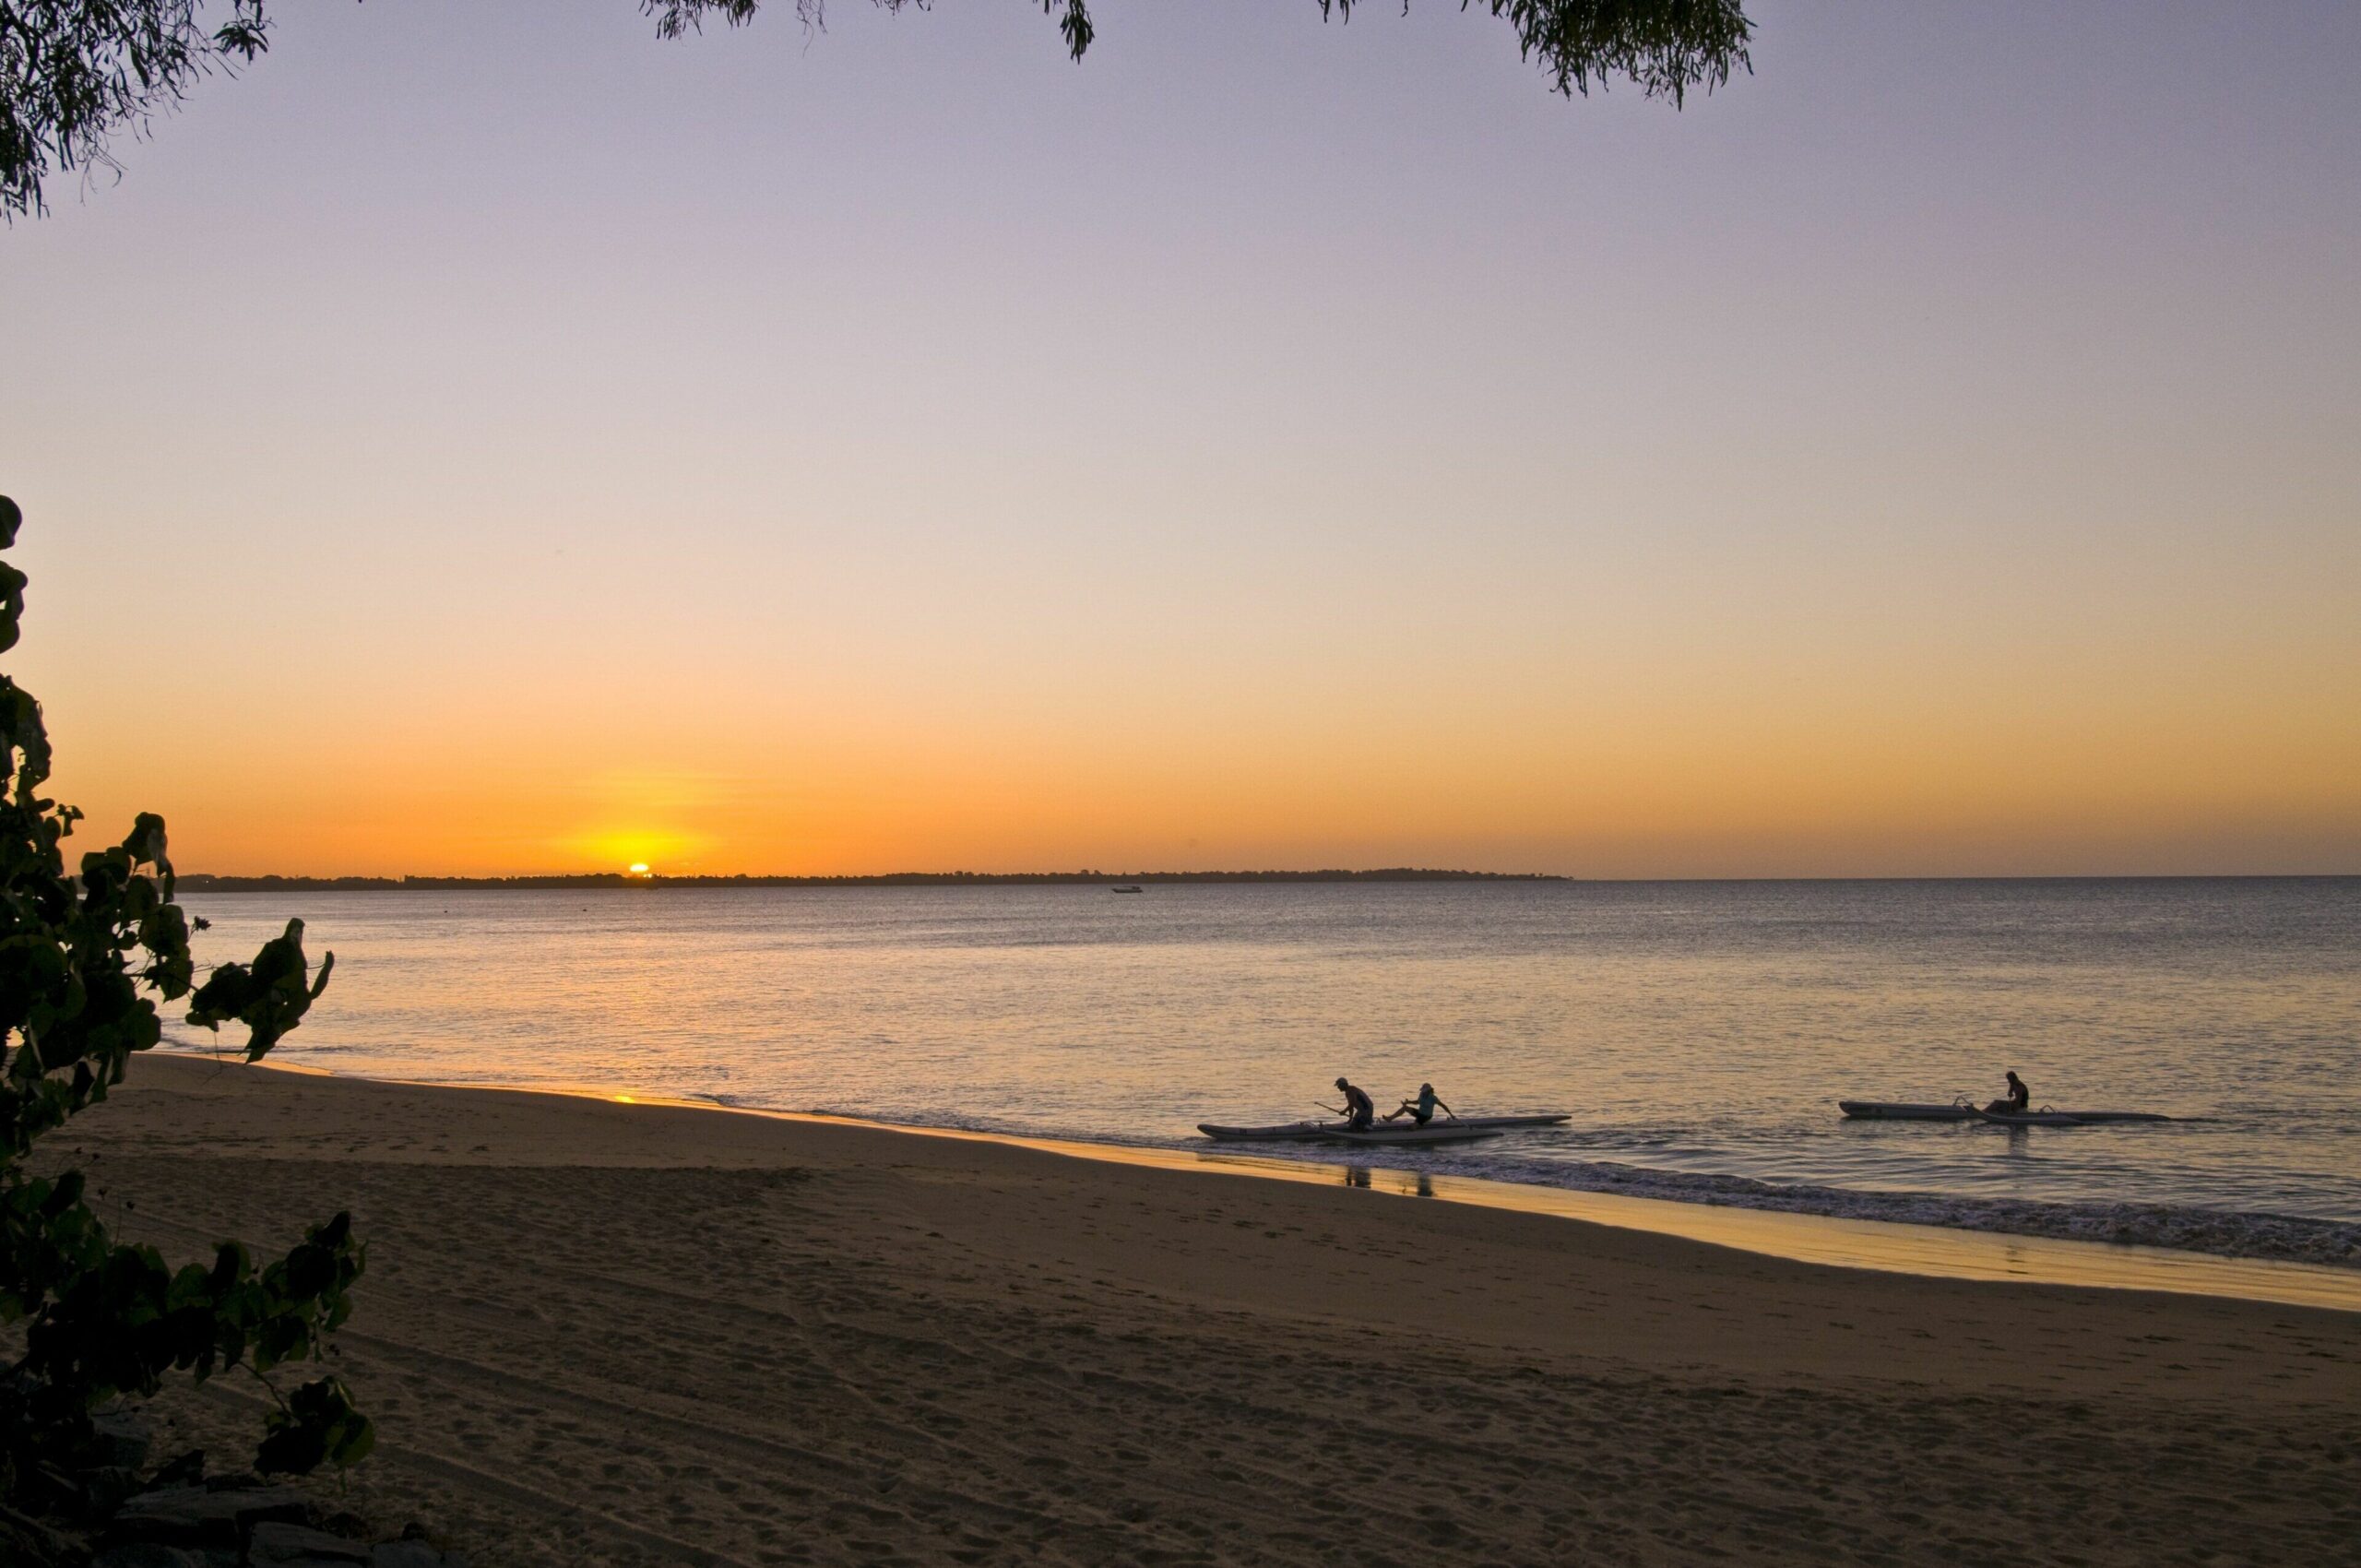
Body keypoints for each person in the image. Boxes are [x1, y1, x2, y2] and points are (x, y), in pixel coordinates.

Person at [1385, 1082, 1455, 1125]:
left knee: (1412, 1128)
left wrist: (1451, 1114)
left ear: (1428, 1090)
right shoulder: (1421, 1094)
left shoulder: (1433, 1098)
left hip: (1426, 1116)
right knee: (1404, 1108)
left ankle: (1418, 1125)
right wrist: (1408, 1102)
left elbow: (1443, 1105)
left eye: (1425, 1090)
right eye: (1423, 1090)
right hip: (1419, 1113)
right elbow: (1418, 1102)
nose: (1423, 1091)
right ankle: (1390, 1118)